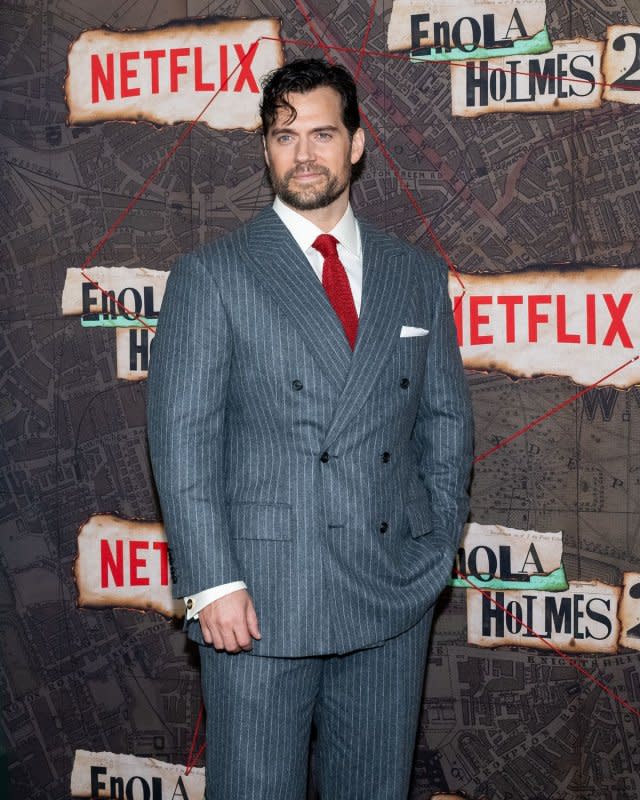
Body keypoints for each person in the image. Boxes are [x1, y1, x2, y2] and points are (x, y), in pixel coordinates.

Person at [147, 58, 473, 800]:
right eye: (284, 135)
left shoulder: (415, 273)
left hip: (390, 591)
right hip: (260, 602)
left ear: (357, 144)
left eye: (322, 133)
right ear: (265, 149)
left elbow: (446, 421)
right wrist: (213, 581)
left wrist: (436, 545)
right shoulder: (215, 274)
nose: (303, 154)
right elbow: (182, 440)